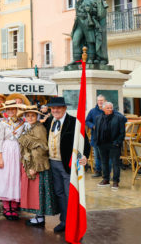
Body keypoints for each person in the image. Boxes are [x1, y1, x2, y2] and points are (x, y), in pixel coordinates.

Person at [46, 97, 89, 233]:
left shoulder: (74, 122)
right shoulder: (48, 121)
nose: (55, 110)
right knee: (59, 193)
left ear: (64, 108)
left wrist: (85, 156)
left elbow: (85, 141)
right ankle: (64, 221)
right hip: (52, 163)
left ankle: (73, 222)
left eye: (58, 108)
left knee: (69, 194)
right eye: (53, 108)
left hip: (67, 164)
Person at [18, 106, 57, 228]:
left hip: (37, 164)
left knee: (38, 192)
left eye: (33, 116)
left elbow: (41, 149)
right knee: (35, 192)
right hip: (31, 162)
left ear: (37, 117)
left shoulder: (39, 128)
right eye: (28, 115)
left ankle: (40, 218)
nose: (30, 118)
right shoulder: (30, 127)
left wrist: (35, 167)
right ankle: (38, 217)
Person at [0, 101, 25, 220]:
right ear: (5, 111)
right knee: (5, 178)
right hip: (5, 152)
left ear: (16, 110)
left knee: (16, 178)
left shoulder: (22, 123)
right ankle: (6, 207)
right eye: (8, 109)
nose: (11, 111)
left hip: (17, 152)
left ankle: (14, 207)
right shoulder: (2, 123)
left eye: (13, 109)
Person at [94, 101, 125, 190]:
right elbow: (96, 131)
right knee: (104, 162)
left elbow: (122, 133)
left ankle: (115, 181)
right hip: (102, 144)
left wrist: (117, 142)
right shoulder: (98, 118)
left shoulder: (119, 118)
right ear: (103, 109)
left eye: (111, 108)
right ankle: (105, 180)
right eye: (108, 108)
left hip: (114, 144)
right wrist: (97, 141)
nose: (110, 109)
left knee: (115, 163)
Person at [86, 95, 106, 178]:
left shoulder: (108, 110)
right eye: (99, 100)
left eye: (101, 100)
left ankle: (106, 172)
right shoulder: (92, 111)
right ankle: (98, 171)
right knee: (97, 155)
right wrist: (92, 126)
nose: (100, 102)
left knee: (106, 156)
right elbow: (87, 121)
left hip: (106, 138)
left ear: (105, 101)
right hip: (96, 137)